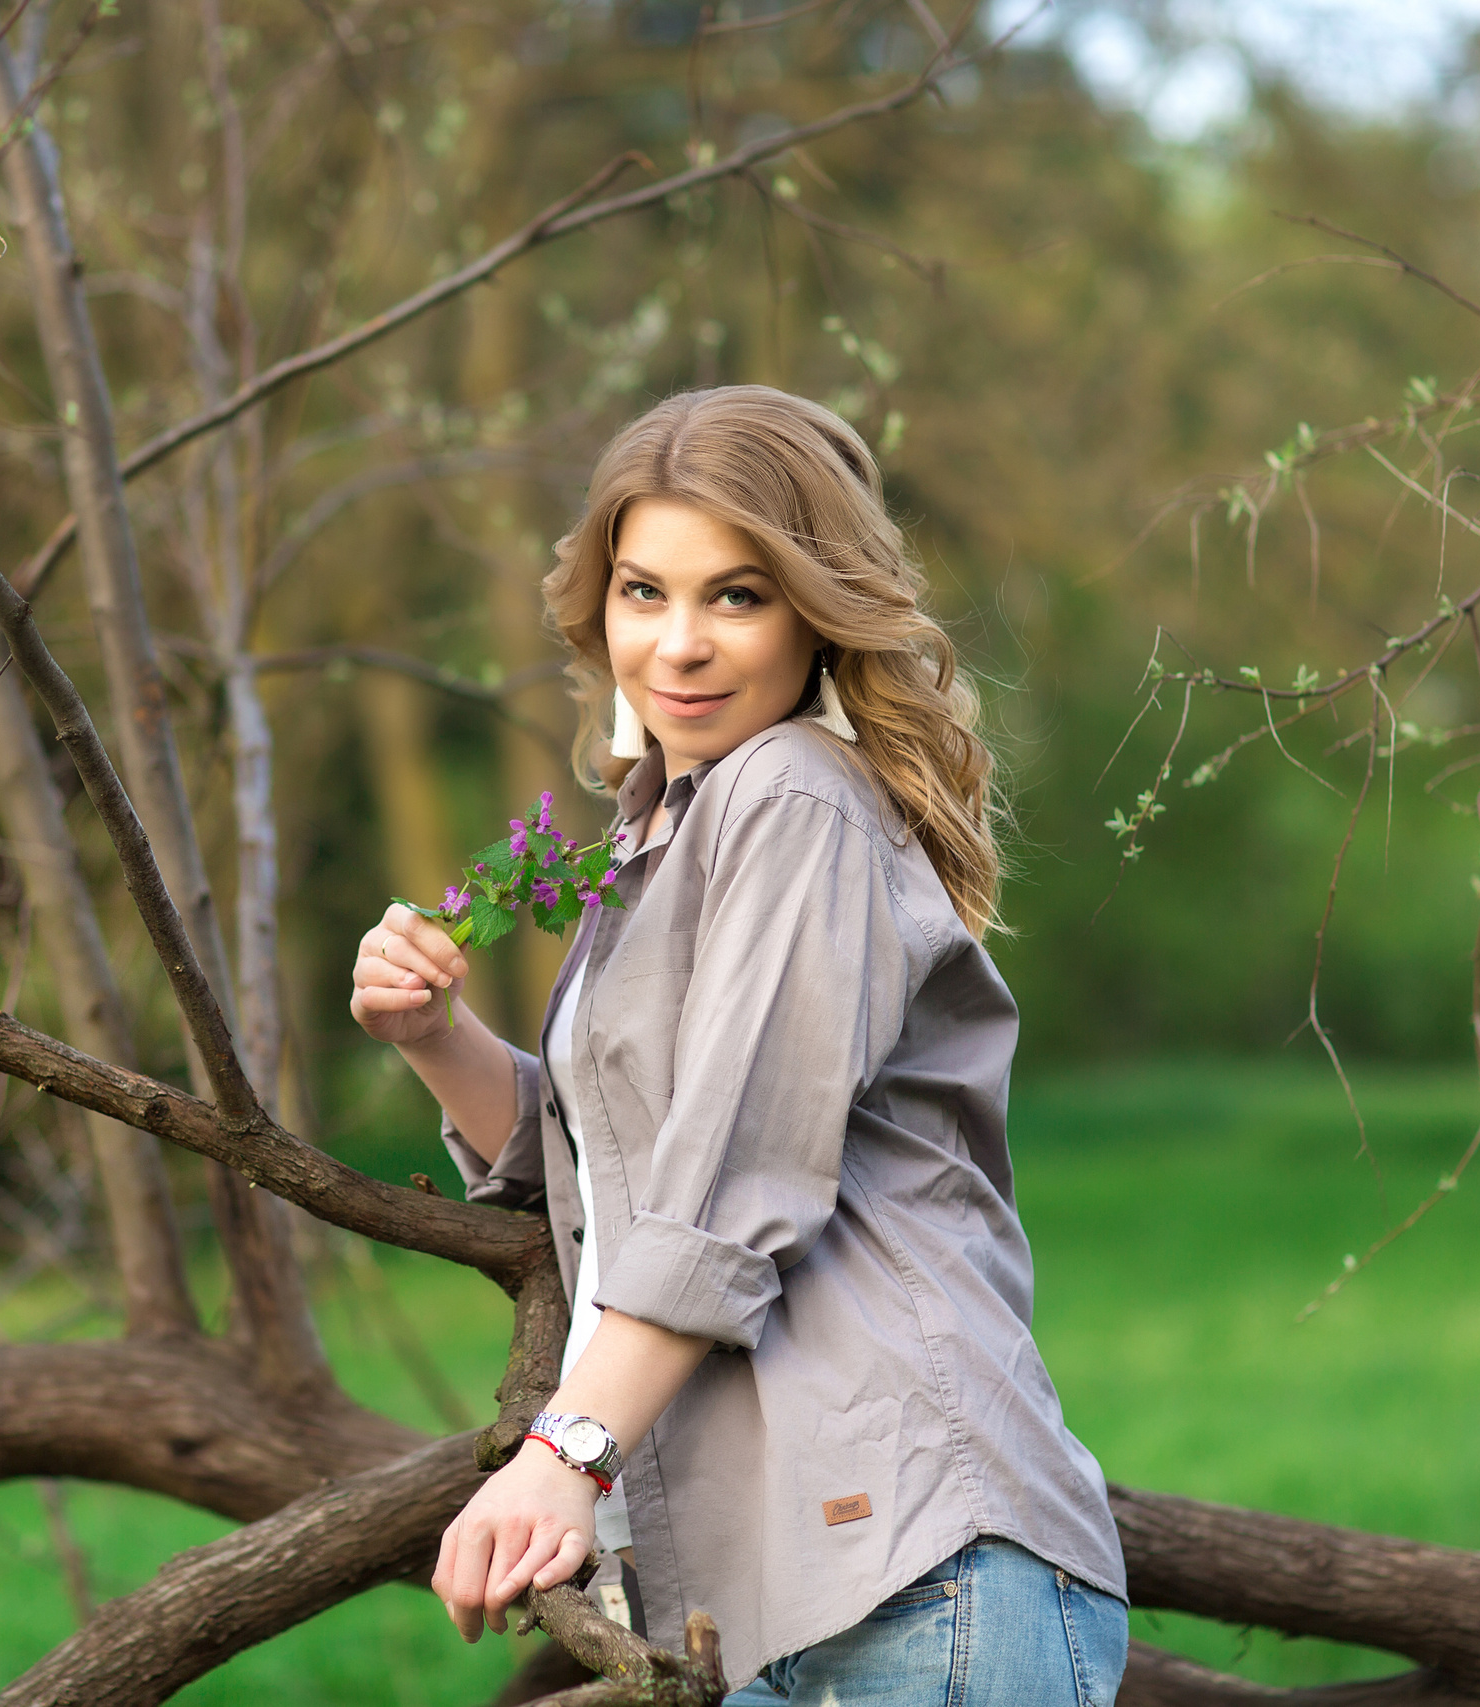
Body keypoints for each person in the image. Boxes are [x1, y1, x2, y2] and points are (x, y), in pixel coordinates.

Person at [348, 387, 1128, 1705]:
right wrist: (435, 1036)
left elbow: (732, 1180)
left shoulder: (792, 796)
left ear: (818, 611)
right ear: (597, 604)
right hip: (797, 1591)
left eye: (739, 596)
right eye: (645, 593)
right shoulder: (666, 830)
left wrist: (563, 1454)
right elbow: (620, 1177)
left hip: (912, 1569)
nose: (681, 646)